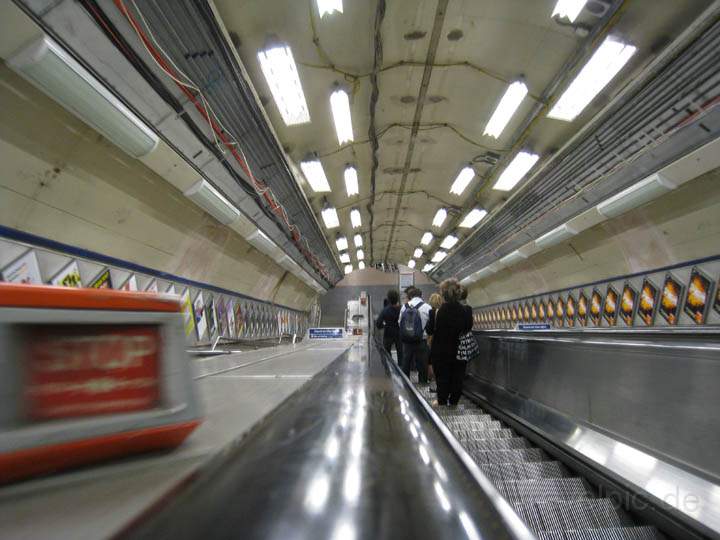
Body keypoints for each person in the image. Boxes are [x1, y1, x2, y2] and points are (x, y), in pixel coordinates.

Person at [430, 278, 474, 406]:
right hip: (460, 350)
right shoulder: (466, 311)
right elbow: (468, 328)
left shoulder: (438, 311)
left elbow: (431, 330)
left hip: (441, 351)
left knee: (442, 378)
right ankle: (454, 402)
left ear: (443, 294)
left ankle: (442, 402)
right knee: (457, 377)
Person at [398, 286, 432, 383]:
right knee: (422, 365)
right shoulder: (427, 307)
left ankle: (406, 385)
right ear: (421, 296)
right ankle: (422, 385)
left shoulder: (404, 306)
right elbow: (431, 325)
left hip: (407, 342)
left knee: (406, 364)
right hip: (421, 341)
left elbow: (400, 322)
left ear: (410, 296)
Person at [376, 289, 402, 364]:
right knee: (401, 354)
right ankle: (401, 370)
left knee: (387, 354)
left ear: (389, 299)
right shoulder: (401, 309)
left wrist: (384, 325)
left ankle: (389, 369)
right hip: (399, 334)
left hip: (388, 334)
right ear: (397, 298)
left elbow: (378, 324)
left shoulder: (385, 310)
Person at [425, 292, 443, 390]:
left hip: (434, 341)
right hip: (445, 341)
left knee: (432, 361)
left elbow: (429, 329)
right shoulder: (444, 311)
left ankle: (433, 385)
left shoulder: (432, 312)